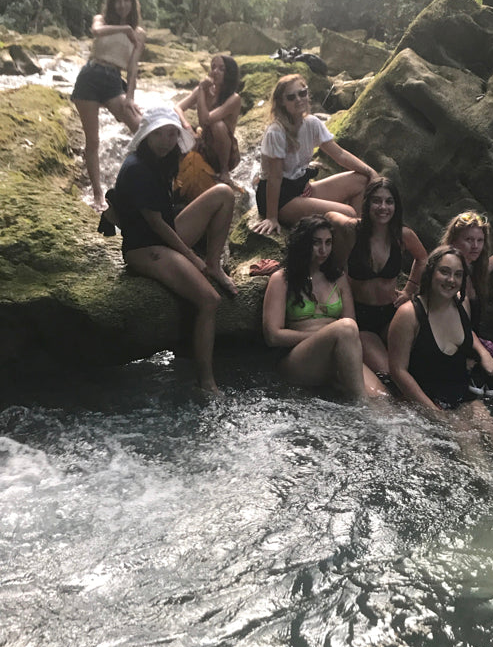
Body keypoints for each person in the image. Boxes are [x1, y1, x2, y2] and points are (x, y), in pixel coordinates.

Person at [387, 246, 493, 489]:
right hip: (423, 396)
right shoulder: (409, 315)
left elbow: (468, 335)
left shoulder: (461, 306)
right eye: (444, 272)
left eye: (458, 275)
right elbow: (398, 371)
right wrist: (434, 413)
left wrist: (483, 354)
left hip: (458, 390)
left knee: (491, 427)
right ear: (430, 273)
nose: (451, 280)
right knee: (465, 434)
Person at [111, 106, 238, 395]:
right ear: (147, 134)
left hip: (165, 232)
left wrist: (204, 261)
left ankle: (215, 264)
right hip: (145, 247)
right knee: (209, 300)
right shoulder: (137, 168)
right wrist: (192, 258)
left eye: (172, 134)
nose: (168, 141)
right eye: (161, 134)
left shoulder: (163, 160)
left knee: (224, 194)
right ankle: (205, 382)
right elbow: (156, 226)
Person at [261, 216, 388, 399]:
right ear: (303, 243)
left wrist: (334, 338)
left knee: (383, 397)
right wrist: (325, 335)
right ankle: (362, 407)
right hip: (297, 358)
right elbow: (272, 336)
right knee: (345, 328)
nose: (323, 250)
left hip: (339, 350)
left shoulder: (338, 277)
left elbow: (352, 324)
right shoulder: (281, 280)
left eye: (328, 243)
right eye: (316, 243)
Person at [253, 74, 378, 236]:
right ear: (282, 103)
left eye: (302, 93)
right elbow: (274, 178)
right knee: (348, 213)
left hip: (300, 188)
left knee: (362, 180)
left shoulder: (312, 123)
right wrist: (272, 217)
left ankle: (355, 237)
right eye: (291, 97)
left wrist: (370, 171)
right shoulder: (276, 132)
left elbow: (339, 154)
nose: (298, 99)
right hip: (280, 198)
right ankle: (349, 242)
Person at [327, 178, 427, 375]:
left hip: (392, 312)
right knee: (387, 373)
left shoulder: (402, 236)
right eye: (377, 201)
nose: (383, 207)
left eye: (389, 201)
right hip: (360, 317)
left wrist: (409, 289)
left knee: (416, 366)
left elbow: (423, 258)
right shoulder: (352, 230)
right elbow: (329, 216)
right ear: (367, 203)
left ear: (396, 206)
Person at [72, 0, 145, 210]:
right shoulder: (101, 20)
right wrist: (124, 29)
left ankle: (147, 183)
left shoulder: (139, 33)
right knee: (92, 141)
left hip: (114, 80)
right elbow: (96, 31)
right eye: (118, 0)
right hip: (90, 76)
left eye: (126, 0)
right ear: (112, 3)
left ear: (132, 3)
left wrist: (130, 97)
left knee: (141, 128)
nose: (122, 5)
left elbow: (132, 68)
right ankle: (97, 194)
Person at [440, 210, 493, 393]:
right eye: (469, 240)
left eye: (479, 240)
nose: (475, 246)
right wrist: (478, 355)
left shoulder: (472, 270)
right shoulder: (447, 275)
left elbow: (486, 268)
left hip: (473, 340)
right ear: (454, 241)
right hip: (452, 344)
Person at [175, 54, 242, 185]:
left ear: (229, 74)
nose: (215, 71)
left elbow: (205, 120)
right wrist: (187, 125)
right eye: (213, 67)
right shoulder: (205, 89)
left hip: (225, 155)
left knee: (217, 125)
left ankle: (224, 172)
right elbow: (177, 107)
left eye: (221, 69)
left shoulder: (234, 98)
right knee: (174, 124)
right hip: (203, 145)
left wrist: (201, 90)